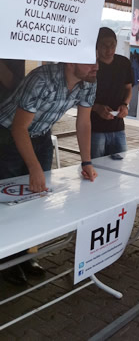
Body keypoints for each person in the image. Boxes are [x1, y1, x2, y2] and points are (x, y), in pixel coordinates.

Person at [0, 60, 98, 284]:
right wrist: (34, 168)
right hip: (7, 135)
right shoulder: (41, 79)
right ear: (71, 63)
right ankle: (5, 261)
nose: (96, 67)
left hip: (41, 135)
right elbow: (18, 127)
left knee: (35, 201)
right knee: (8, 204)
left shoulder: (89, 81)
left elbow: (83, 122)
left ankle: (24, 255)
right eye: (90, 62)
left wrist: (86, 162)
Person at [91, 27, 133, 158]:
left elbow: (128, 88)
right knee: (95, 167)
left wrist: (125, 105)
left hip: (118, 127)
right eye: (104, 46)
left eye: (112, 45)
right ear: (96, 45)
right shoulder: (90, 65)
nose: (109, 50)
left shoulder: (124, 63)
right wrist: (97, 108)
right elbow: (77, 97)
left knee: (119, 167)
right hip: (94, 128)